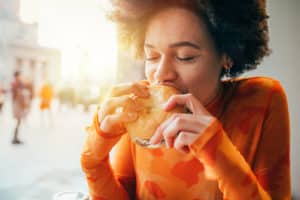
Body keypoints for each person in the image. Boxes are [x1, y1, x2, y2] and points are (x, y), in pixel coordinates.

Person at [80, 0, 290, 199]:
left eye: (185, 56)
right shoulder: (139, 109)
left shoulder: (262, 100)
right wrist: (93, 161)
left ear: (227, 55)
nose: (161, 74)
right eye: (151, 56)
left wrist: (218, 152)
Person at [11, 71, 33, 144]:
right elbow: (19, 94)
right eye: (20, 76)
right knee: (18, 121)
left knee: (18, 121)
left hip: (16, 103)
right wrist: (24, 105)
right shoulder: (16, 83)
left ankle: (15, 137)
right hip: (18, 104)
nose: (21, 77)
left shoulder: (16, 83)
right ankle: (15, 138)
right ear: (17, 76)